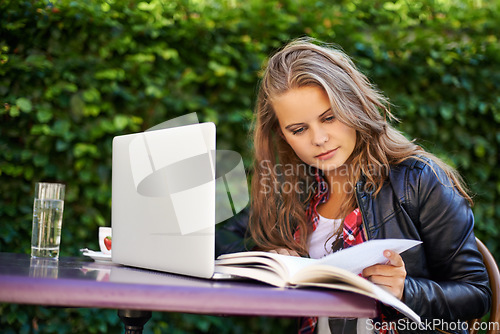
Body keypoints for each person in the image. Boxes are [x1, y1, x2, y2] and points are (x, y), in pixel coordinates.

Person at [244, 38, 491, 334]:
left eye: (330, 117)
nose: (319, 138)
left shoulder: (418, 179)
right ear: (282, 135)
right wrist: (276, 260)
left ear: (354, 106)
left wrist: (405, 290)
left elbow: (477, 295)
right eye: (298, 129)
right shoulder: (293, 192)